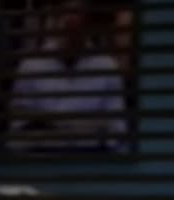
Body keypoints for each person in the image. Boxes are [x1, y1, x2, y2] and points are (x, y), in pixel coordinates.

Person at [9, 0, 127, 153]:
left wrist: (52, 127)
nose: (69, 22)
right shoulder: (31, 67)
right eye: (65, 16)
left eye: (76, 15)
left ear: (87, 22)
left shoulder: (106, 67)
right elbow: (18, 134)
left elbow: (117, 133)